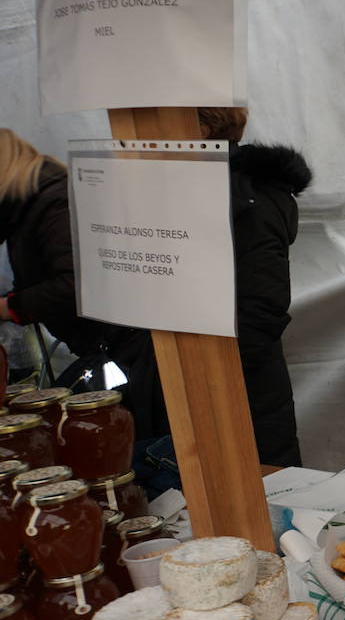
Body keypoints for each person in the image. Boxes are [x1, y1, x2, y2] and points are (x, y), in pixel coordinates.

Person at [0, 129, 164, 435]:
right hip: (113, 344)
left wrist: (11, 307)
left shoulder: (52, 201)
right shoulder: (29, 206)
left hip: (125, 347)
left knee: (130, 438)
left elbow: (77, 283)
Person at [198, 107, 312, 467]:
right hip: (212, 374)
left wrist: (209, 376)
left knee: (263, 493)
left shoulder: (253, 196)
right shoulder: (196, 186)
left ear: (202, 127)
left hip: (237, 380)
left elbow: (260, 307)